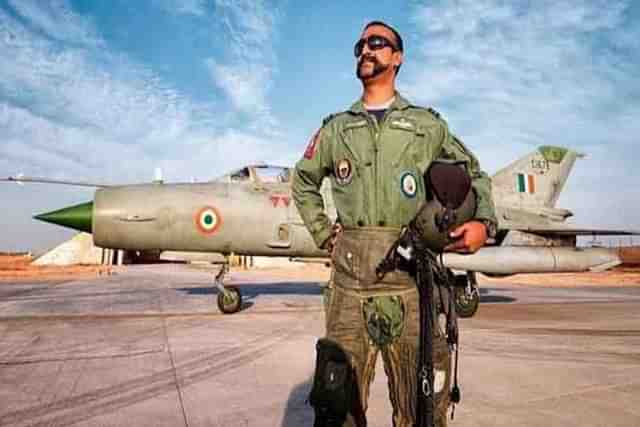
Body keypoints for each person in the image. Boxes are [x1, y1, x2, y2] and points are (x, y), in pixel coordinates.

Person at [292, 20, 497, 427]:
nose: (366, 49)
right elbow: (303, 182)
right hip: (350, 287)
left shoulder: (427, 125)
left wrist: (484, 224)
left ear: (397, 57)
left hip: (412, 285)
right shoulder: (336, 128)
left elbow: (475, 174)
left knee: (422, 411)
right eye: (361, 44)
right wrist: (325, 235)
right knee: (336, 411)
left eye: (377, 42)